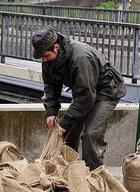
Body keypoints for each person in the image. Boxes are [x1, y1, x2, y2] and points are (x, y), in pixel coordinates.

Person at [31, 26, 126, 170]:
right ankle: (69, 169)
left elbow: (86, 97)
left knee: (90, 134)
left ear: (56, 47)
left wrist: (65, 122)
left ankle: (93, 174)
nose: (43, 61)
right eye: (41, 57)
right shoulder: (48, 60)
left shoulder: (80, 58)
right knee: (68, 131)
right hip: (84, 89)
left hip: (106, 90)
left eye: (46, 56)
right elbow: (50, 86)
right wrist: (51, 111)